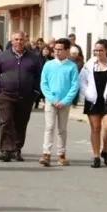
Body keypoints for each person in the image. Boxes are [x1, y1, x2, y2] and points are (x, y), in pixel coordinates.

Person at [0, 31, 42, 162]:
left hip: (26, 96)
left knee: (21, 122)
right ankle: (6, 150)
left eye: (21, 39)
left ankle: (16, 149)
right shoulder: (2, 56)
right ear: (12, 41)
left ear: (25, 41)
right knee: (6, 121)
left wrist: (35, 92)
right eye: (16, 39)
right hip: (6, 95)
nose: (19, 42)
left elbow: (39, 76)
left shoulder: (33, 58)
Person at [78, 39, 107, 168]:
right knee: (95, 128)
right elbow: (81, 81)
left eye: (100, 50)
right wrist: (87, 93)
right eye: (96, 50)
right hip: (92, 99)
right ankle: (96, 156)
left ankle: (105, 151)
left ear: (106, 50)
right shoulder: (89, 65)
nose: (98, 53)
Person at [38, 38, 79, 167]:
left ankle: (61, 154)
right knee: (49, 127)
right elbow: (44, 84)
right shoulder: (48, 65)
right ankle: (46, 153)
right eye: (55, 49)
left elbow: (74, 86)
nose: (57, 51)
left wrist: (66, 100)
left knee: (62, 129)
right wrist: (52, 99)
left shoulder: (72, 66)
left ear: (67, 50)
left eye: (60, 49)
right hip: (51, 101)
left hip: (65, 102)